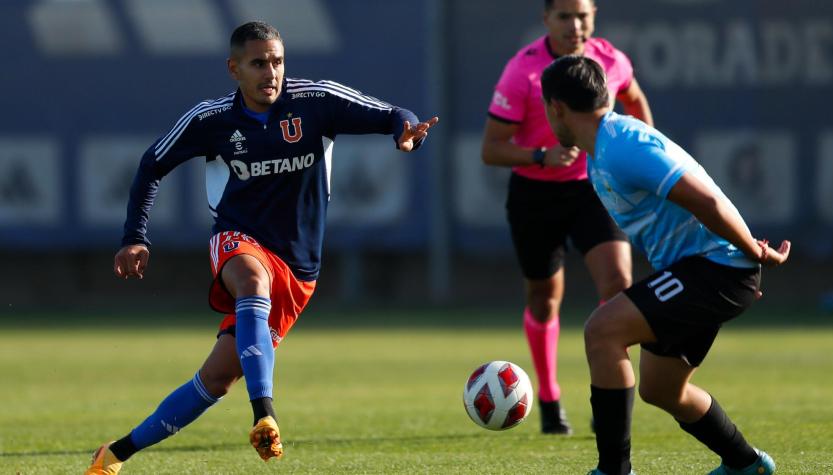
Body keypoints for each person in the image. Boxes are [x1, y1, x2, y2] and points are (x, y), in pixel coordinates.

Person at [85, 21, 437, 474]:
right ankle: (264, 413)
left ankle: (114, 454)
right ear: (234, 69)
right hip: (238, 238)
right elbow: (152, 164)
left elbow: (393, 113)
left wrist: (406, 131)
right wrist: (135, 235)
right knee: (252, 279)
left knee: (214, 379)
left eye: (277, 62)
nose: (270, 72)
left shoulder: (316, 101)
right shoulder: (210, 120)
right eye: (258, 63)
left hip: (298, 269)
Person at [540, 55, 789, 475]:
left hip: (718, 266)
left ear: (556, 107)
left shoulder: (621, 144)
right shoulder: (600, 151)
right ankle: (747, 465)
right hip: (712, 271)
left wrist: (750, 252)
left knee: (603, 331)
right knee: (661, 389)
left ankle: (613, 470)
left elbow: (705, 200)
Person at [480, 0, 653, 434]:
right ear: (546, 20)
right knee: (544, 300)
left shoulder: (612, 61)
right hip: (535, 195)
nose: (575, 25)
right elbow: (491, 147)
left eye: (583, 16)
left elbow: (636, 104)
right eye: (564, 16)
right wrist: (542, 156)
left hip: (596, 189)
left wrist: (639, 157)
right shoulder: (523, 71)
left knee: (618, 286)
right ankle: (549, 397)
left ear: (594, 16)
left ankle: (609, 396)